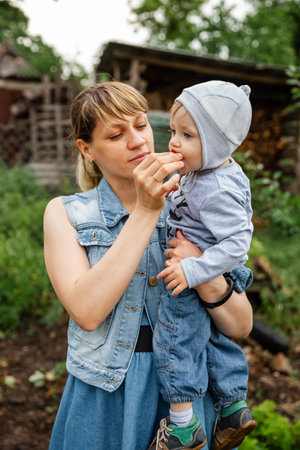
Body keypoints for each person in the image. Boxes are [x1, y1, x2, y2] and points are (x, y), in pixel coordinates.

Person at [44, 81, 254, 450]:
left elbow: (240, 325)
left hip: (183, 399)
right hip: (105, 393)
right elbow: (87, 311)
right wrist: (146, 210)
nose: (138, 141)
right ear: (87, 149)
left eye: (141, 126)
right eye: (116, 134)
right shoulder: (67, 213)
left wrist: (201, 273)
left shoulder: (194, 207)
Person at [150, 80, 257, 450]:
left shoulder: (217, 188)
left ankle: (182, 426)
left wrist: (193, 270)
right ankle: (233, 407)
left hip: (198, 270)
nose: (174, 142)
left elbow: (238, 242)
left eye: (188, 135)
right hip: (209, 269)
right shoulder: (208, 173)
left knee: (176, 340)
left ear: (215, 144)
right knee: (213, 340)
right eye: (174, 132)